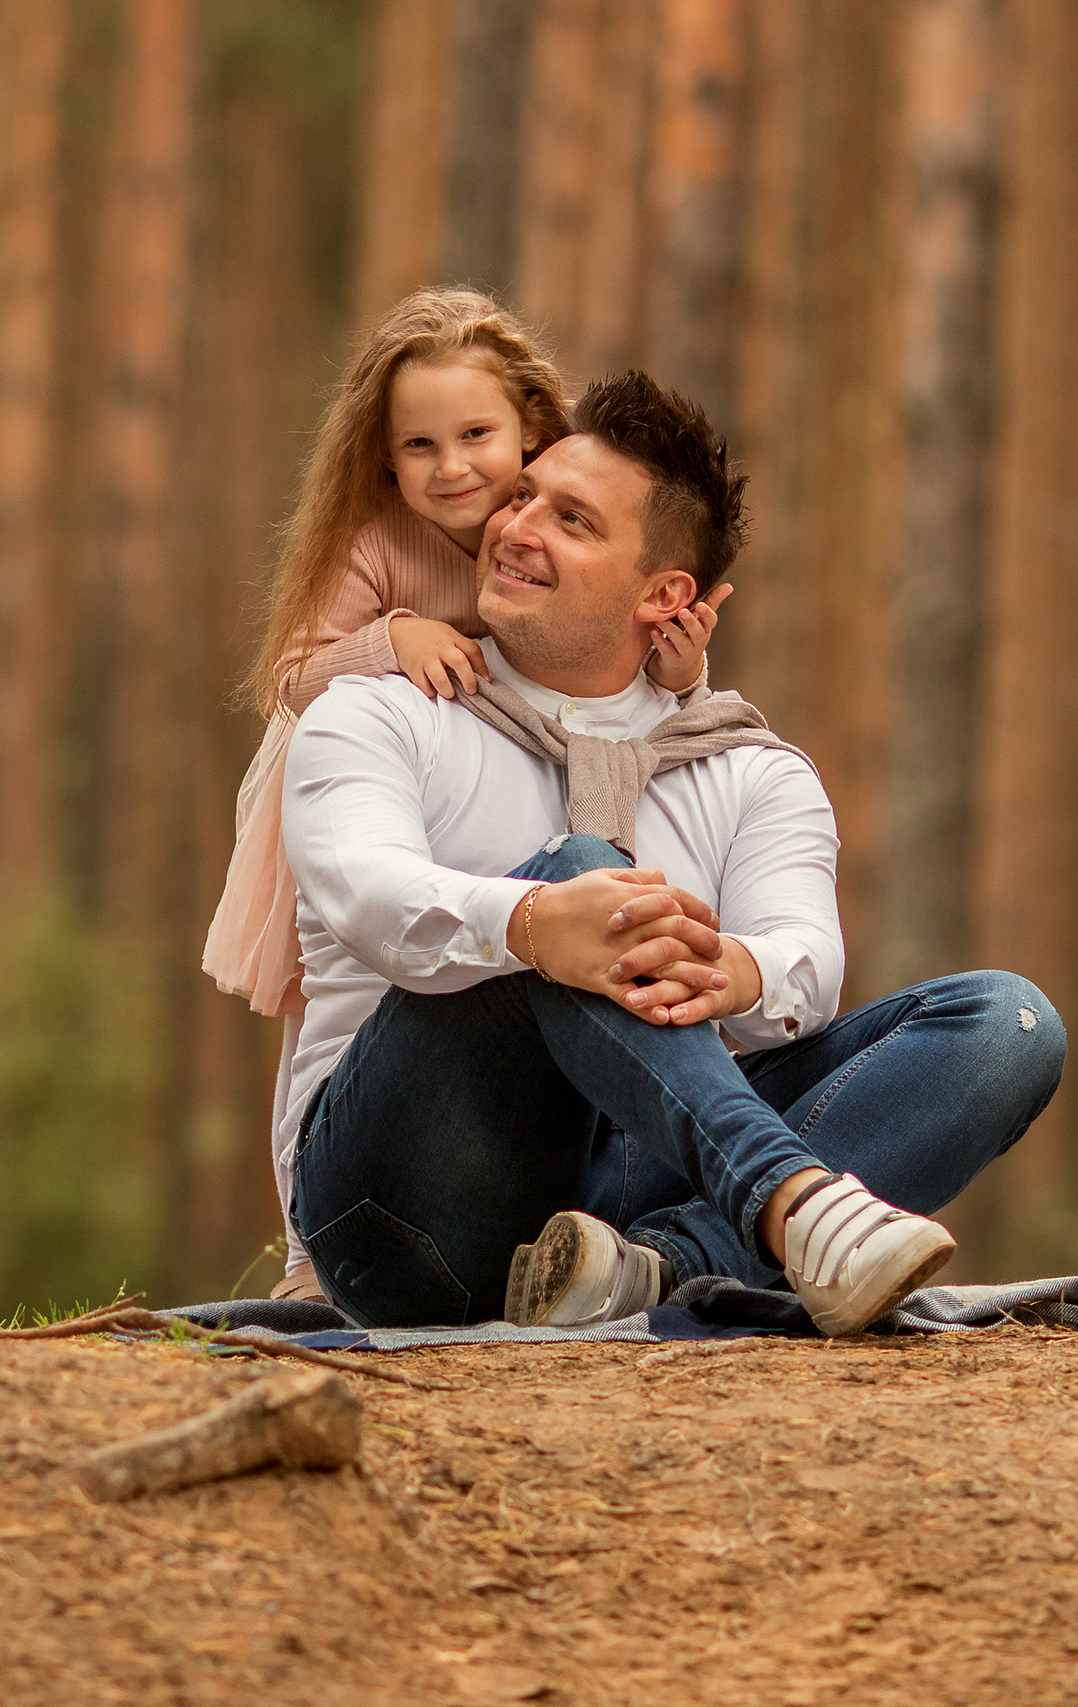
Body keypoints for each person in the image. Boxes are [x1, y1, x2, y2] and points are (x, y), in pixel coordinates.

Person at [279, 371, 1066, 1334]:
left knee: (1007, 1024)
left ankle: (656, 1270)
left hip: (624, 1193)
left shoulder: (749, 770)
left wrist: (733, 969)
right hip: (405, 1207)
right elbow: (364, 892)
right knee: (579, 876)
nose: (514, 525)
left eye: (571, 520)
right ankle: (793, 1208)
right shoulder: (381, 709)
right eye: (523, 494)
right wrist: (533, 919)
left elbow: (803, 965)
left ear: (667, 595)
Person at [202, 289, 729, 1294]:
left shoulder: (562, 534)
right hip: (345, 790)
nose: (451, 469)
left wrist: (680, 674)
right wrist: (390, 640)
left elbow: (612, 670)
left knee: (511, 955)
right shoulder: (378, 545)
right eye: (418, 446)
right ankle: (311, 1255)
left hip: (487, 788)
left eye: (477, 435)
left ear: (535, 425)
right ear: (383, 458)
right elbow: (295, 672)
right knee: (337, 1003)